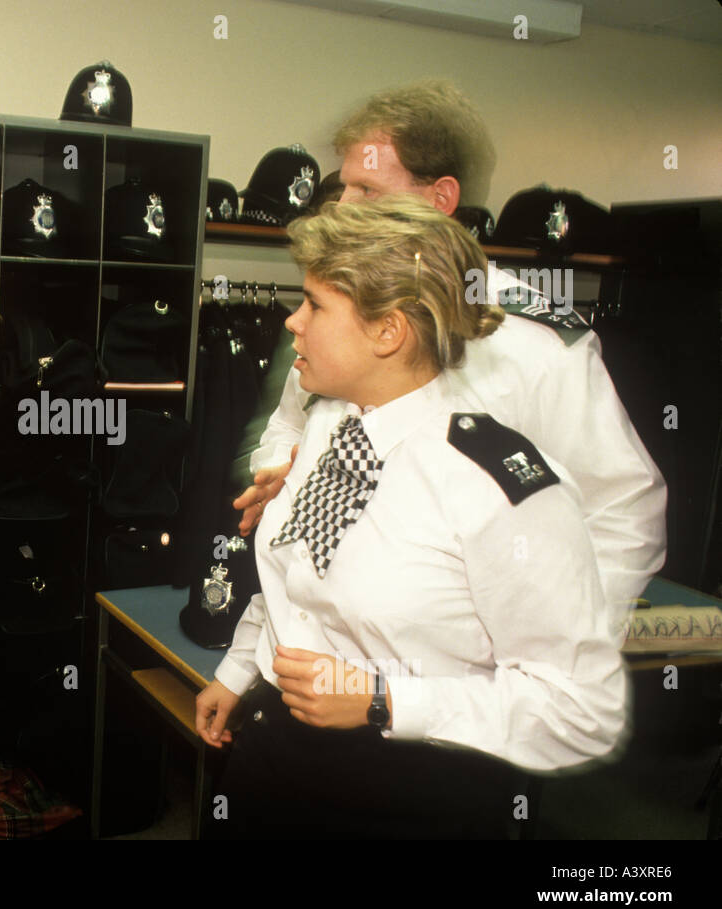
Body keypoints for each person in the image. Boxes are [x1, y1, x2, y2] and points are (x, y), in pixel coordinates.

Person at [196, 197, 627, 839]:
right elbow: (304, 578)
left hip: (412, 791)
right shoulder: (331, 426)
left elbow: (582, 709)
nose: (292, 322)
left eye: (314, 304)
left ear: (387, 331)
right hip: (279, 752)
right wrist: (239, 669)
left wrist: (383, 700)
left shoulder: (496, 486)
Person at [234, 81, 666, 618]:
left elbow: (626, 511)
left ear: (440, 198)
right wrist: (287, 474)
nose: (342, 207)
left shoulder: (533, 341)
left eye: (366, 190)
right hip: (319, 634)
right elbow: (288, 427)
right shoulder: (334, 314)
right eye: (343, 188)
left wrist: (540, 637)